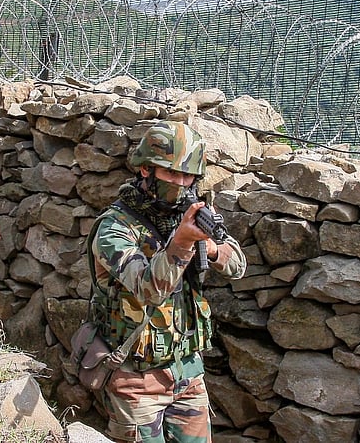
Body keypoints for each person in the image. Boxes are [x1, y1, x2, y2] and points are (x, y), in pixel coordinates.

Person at [85, 121, 247, 443]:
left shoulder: (190, 213)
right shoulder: (114, 228)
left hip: (188, 369)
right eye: (172, 174)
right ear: (146, 170)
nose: (182, 183)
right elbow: (148, 289)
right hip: (135, 378)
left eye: (188, 176)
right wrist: (183, 242)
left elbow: (238, 265)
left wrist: (211, 247)